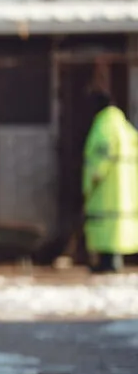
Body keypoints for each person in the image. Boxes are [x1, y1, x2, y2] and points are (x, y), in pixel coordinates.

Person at [82, 91, 138, 273]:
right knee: (116, 228)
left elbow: (99, 160)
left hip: (106, 190)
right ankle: (113, 262)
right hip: (125, 190)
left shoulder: (104, 127)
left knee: (105, 227)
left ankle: (109, 264)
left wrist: (90, 182)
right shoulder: (124, 126)